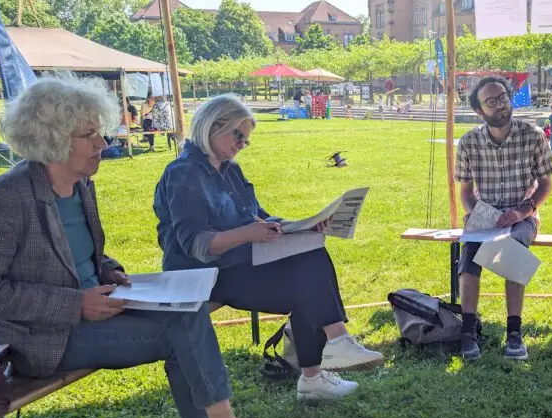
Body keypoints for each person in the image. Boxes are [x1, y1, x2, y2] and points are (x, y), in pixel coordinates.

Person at [0, 76, 291, 418]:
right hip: (37, 338)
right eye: (89, 134)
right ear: (52, 141)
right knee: (182, 326)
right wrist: (75, 303)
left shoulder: (80, 185)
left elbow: (74, 253)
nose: (103, 143)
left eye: (100, 131)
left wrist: (107, 267)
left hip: (94, 307)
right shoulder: (3, 200)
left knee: (187, 310)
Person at [153, 95, 384, 401]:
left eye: (246, 140)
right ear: (214, 124)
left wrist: (299, 226)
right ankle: (325, 358)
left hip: (238, 263)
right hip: (202, 276)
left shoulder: (228, 169)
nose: (242, 145)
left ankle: (326, 359)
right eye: (239, 136)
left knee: (311, 251)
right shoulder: (183, 173)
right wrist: (248, 233)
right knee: (309, 278)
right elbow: (197, 245)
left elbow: (256, 215)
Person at [455, 77, 552, 361]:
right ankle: (468, 331)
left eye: (503, 98)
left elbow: (546, 184)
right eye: (492, 101)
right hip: (485, 214)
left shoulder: (533, 135)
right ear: (479, 111)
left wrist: (525, 210)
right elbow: (464, 190)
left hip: (522, 213)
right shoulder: (469, 142)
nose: (501, 105)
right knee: (468, 260)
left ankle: (514, 332)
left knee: (513, 248)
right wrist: (474, 215)